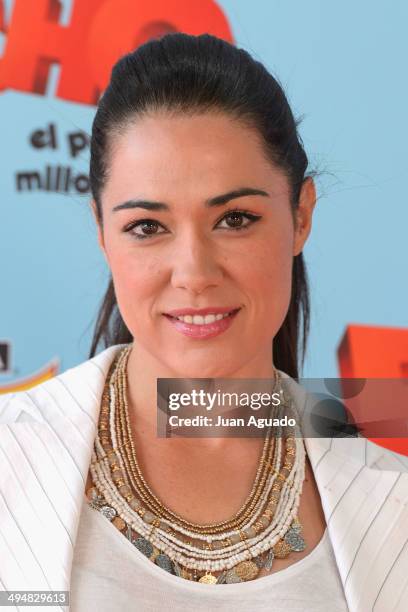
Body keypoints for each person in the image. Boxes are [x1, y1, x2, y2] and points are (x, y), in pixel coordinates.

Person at [0, 32, 407, 612]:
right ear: (101, 231)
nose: (193, 272)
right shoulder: (10, 454)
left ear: (301, 215)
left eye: (235, 219)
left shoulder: (392, 499)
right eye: (147, 226)